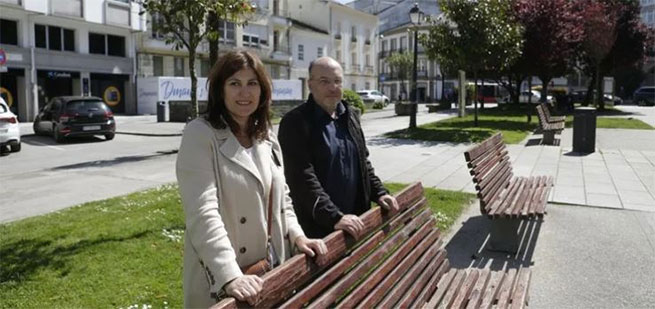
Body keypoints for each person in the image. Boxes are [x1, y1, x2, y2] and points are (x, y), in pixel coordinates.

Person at [176, 50, 327, 308]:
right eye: (234, 83)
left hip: (270, 271)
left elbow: (283, 200)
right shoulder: (200, 135)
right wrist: (230, 275)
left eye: (252, 83)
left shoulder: (266, 135)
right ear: (220, 90)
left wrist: (298, 237)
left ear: (263, 90)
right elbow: (203, 213)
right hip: (222, 282)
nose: (244, 93)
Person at [278, 57, 399, 240]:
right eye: (324, 81)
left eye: (337, 81)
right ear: (310, 84)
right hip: (316, 229)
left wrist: (380, 192)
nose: (333, 88)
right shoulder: (295, 122)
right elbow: (302, 179)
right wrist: (334, 216)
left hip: (353, 223)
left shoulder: (349, 116)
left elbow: (363, 163)